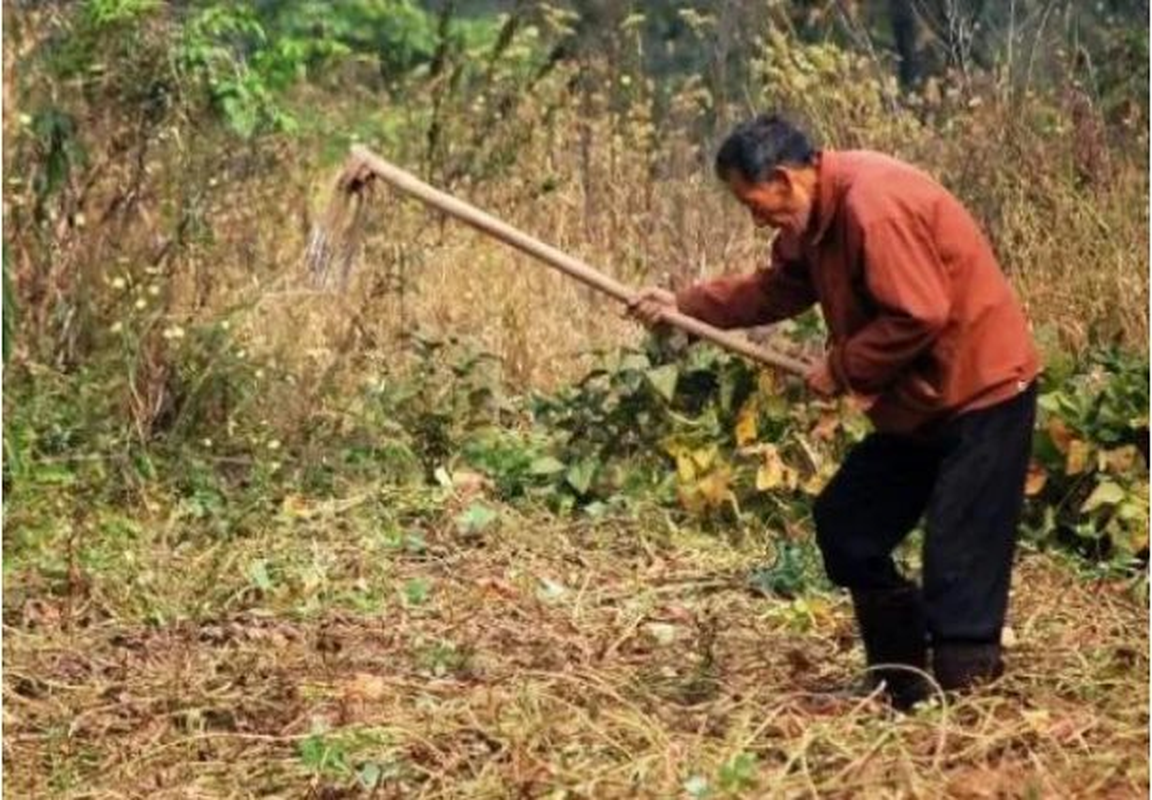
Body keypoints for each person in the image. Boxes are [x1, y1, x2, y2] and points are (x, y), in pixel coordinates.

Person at [630, 114, 1040, 710]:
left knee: (960, 554)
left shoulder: (874, 205)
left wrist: (844, 367)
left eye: (754, 202)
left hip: (982, 391)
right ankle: (901, 677)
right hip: (916, 403)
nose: (754, 218)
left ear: (782, 177)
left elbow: (917, 313)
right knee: (849, 525)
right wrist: (687, 306)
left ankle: (967, 698)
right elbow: (774, 289)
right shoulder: (813, 218)